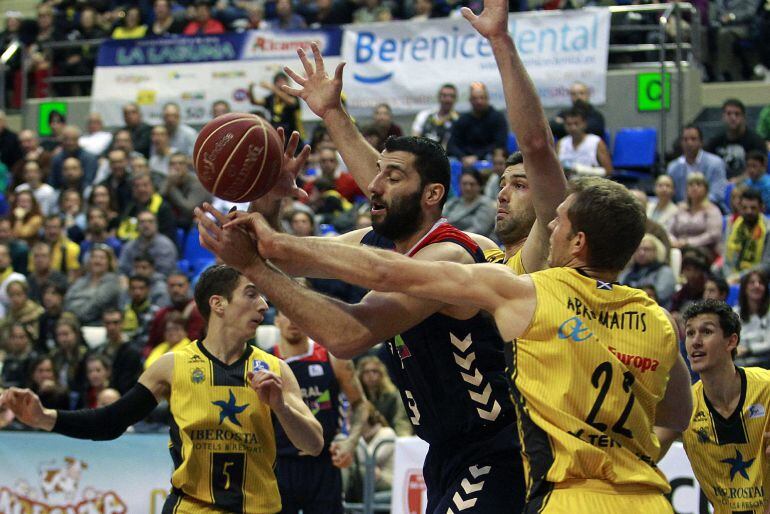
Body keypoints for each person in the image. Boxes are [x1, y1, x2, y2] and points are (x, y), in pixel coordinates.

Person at [232, 173, 693, 512]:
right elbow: (678, 416)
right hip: (648, 498)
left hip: (567, 495)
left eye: (559, 222)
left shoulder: (530, 290)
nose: (549, 227)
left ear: (577, 242)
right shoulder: (659, 320)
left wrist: (267, 252)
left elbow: (389, 270)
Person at [0, 264, 324, 513]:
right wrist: (45, 418)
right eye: (252, 294)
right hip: (192, 508)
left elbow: (313, 444)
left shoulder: (274, 369)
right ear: (219, 304)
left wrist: (280, 405)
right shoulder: (173, 365)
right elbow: (111, 421)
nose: (264, 305)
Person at [671, 300, 770, 514]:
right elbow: (645, 452)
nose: (695, 342)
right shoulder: (686, 405)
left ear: (731, 341)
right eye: (689, 333)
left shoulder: (767, 388)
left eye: (706, 332)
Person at [271, 307, 369, 514]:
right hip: (279, 463)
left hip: (323, 464)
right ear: (276, 320)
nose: (292, 320)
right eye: (286, 313)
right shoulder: (265, 362)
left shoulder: (333, 358)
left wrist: (350, 442)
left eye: (298, 312)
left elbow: (360, 403)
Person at [447, 82, 508, 167]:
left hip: (488, 157)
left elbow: (499, 143)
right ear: (470, 100)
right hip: (464, 159)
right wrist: (462, 157)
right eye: (475, 98)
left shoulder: (497, 118)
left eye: (482, 98)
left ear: (487, 99)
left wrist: (476, 157)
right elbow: (452, 144)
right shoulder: (463, 119)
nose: (479, 101)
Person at [666, 124, 727, 206]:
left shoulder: (716, 163)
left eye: (693, 139)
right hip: (681, 210)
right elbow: (671, 196)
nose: (689, 143)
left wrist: (693, 205)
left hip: (709, 208)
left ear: (701, 142)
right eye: (685, 139)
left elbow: (717, 194)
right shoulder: (673, 167)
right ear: (681, 143)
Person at [706, 99, 767, 179]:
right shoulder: (714, 142)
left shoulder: (756, 141)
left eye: (737, 114)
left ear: (744, 117)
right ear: (723, 117)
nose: (733, 118)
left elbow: (761, 170)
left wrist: (737, 181)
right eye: (729, 114)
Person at [669, 173, 724, 258]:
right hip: (678, 247)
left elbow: (713, 235)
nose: (694, 188)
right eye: (691, 185)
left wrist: (688, 242)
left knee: (690, 256)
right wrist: (673, 241)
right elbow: (669, 230)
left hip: (703, 249)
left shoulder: (712, 210)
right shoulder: (680, 208)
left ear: (706, 189)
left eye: (698, 184)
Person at [91, 309, 143, 395]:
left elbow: (129, 385)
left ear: (122, 324)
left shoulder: (132, 352)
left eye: (115, 322)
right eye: (107, 323)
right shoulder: (98, 350)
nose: (111, 327)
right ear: (103, 324)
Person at [722, 188, 770, 283]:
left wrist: (740, 277)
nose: (749, 212)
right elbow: (727, 260)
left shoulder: (768, 228)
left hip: (760, 278)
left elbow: (767, 265)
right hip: (732, 276)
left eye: (753, 208)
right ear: (740, 207)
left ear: (761, 208)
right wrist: (729, 276)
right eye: (745, 208)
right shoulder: (732, 226)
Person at [357, 356, 412, 436]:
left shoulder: (392, 397)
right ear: (361, 375)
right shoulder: (358, 397)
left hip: (389, 435)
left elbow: (400, 423)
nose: (370, 375)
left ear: (381, 374)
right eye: (366, 372)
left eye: (374, 371)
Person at [619, 234, 677, 308]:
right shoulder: (628, 272)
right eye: (638, 249)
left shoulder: (665, 272)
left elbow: (659, 296)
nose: (641, 253)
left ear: (656, 251)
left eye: (646, 249)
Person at [118, 210, 179, 278]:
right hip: (133, 283)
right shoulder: (129, 246)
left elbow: (166, 273)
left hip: (159, 283)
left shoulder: (166, 246)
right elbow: (122, 269)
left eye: (150, 221)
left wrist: (142, 276)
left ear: (156, 225)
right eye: (142, 222)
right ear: (137, 226)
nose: (146, 225)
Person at [556, 106, 613, 175]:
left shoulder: (596, 142)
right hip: (567, 184)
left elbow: (609, 171)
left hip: (591, 184)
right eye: (569, 124)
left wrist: (582, 170)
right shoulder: (561, 143)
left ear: (584, 124)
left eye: (576, 124)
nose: (573, 128)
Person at [442, 169, 496, 238]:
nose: (468, 188)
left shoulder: (486, 204)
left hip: (476, 243)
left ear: (479, 185)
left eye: (472, 184)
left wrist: (452, 236)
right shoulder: (453, 203)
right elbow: (441, 222)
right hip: (449, 240)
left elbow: (479, 230)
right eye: (464, 184)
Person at [733, 270, 770, 369]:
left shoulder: (768, 314)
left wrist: (748, 349)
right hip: (737, 358)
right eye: (752, 283)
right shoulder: (734, 312)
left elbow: (768, 343)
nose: (756, 285)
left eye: (761, 283)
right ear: (745, 288)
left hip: (762, 360)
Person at [411, 84, 459, 149]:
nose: (448, 99)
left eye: (451, 96)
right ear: (438, 97)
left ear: (456, 99)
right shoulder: (424, 115)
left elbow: (449, 146)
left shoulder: (458, 120)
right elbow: (414, 138)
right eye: (444, 96)